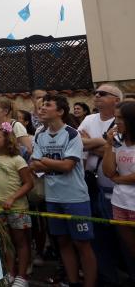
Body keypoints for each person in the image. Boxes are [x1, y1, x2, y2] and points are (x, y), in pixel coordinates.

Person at [30, 94, 96, 287]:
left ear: (60, 111)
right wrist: (53, 163)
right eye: (41, 105)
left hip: (75, 198)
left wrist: (46, 162)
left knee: (82, 244)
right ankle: (73, 282)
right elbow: (34, 164)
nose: (41, 108)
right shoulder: (40, 134)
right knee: (63, 243)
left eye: (47, 105)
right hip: (52, 197)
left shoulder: (72, 134)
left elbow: (68, 166)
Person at [79, 84, 121, 286]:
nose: (97, 96)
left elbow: (118, 153)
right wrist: (103, 144)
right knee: (99, 234)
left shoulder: (121, 122)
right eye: (95, 93)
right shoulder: (88, 119)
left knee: (121, 234)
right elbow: (78, 142)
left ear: (116, 100)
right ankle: (107, 277)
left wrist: (92, 143)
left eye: (103, 93)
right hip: (91, 183)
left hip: (116, 187)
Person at [0, 122, 34, 287]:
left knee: (20, 242)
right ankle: (10, 272)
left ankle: (22, 276)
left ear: (8, 139)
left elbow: (29, 183)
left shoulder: (17, 160)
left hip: (17, 207)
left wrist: (13, 198)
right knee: (6, 242)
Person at [101, 101, 135, 282]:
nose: (116, 122)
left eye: (120, 118)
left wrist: (118, 179)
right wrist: (108, 145)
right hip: (120, 203)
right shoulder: (118, 142)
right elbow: (108, 171)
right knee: (130, 250)